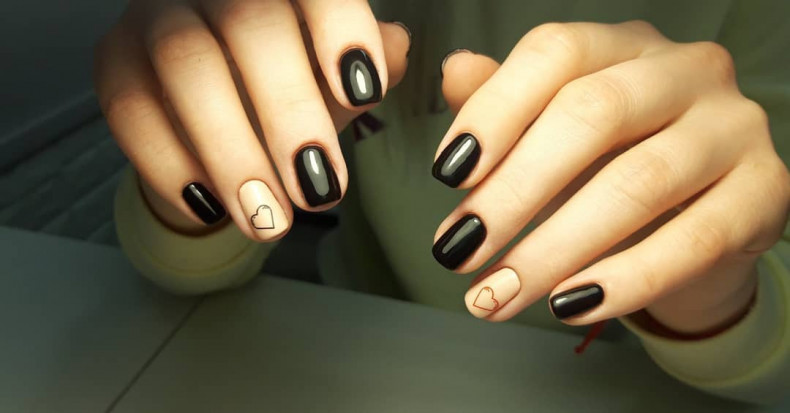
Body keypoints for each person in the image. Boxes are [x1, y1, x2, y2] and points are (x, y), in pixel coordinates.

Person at [93, 0, 790, 404]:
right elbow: (181, 273)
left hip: (625, 387)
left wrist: (714, 290)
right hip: (336, 363)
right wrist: (199, 164)